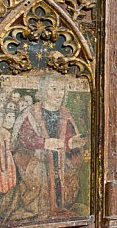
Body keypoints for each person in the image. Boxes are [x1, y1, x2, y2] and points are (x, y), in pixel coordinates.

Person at [11, 74, 86, 216]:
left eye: (62, 89)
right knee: (40, 185)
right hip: (39, 163)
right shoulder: (31, 113)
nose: (59, 94)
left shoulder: (66, 114)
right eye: (54, 89)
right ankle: (40, 210)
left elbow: (68, 139)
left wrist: (72, 143)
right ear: (44, 91)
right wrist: (44, 143)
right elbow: (23, 138)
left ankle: (60, 207)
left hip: (61, 163)